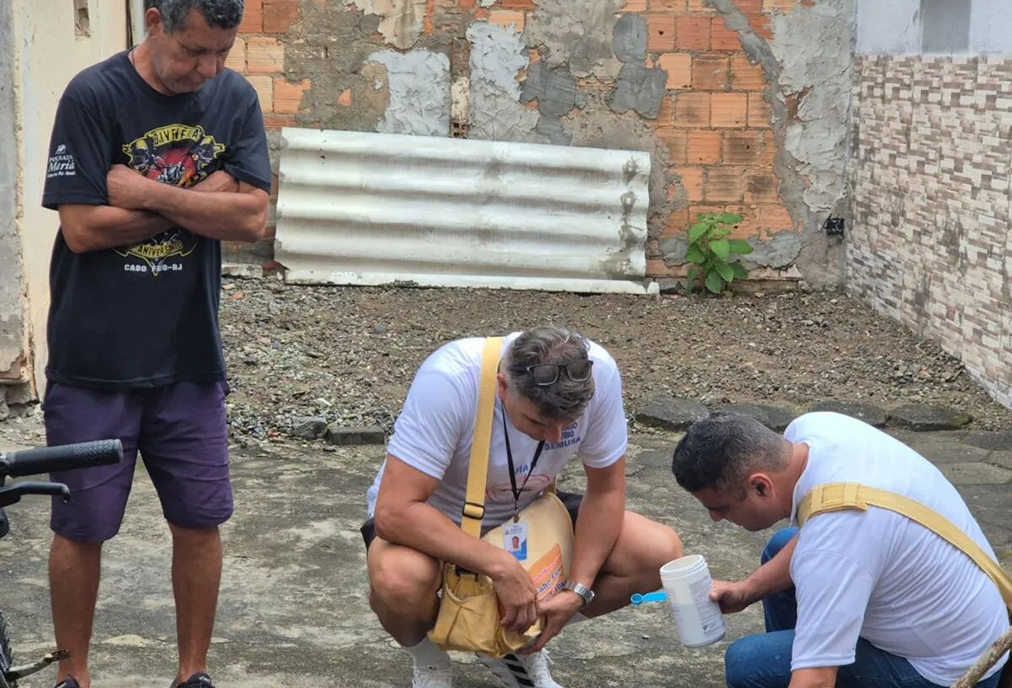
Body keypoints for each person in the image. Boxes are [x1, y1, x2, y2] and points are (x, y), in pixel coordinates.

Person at [40, 0, 271, 686]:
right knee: (80, 528)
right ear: (153, 23)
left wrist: (144, 191)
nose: (209, 69)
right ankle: (73, 677)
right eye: (194, 51)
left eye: (221, 52)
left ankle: (191, 674)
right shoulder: (93, 96)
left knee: (200, 522)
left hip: (190, 358)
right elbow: (83, 228)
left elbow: (252, 219)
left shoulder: (234, 98)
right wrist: (207, 197)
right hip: (94, 360)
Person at [364, 327, 684, 688]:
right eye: (539, 422)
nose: (556, 437)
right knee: (399, 581)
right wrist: (500, 566)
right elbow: (394, 511)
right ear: (503, 387)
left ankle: (516, 640)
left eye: (569, 424)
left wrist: (577, 591)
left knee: (659, 553)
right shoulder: (450, 379)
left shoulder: (601, 372)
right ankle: (430, 661)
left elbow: (607, 490)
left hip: (527, 512)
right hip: (437, 519)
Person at [671, 411, 1009, 688]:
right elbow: (832, 534)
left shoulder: (834, 544)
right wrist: (747, 590)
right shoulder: (813, 430)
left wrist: (812, 668)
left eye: (721, 507)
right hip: (966, 616)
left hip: (955, 669)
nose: (715, 519)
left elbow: (816, 682)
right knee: (780, 548)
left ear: (761, 486)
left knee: (748, 664)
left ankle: (809, 652)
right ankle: (810, 645)